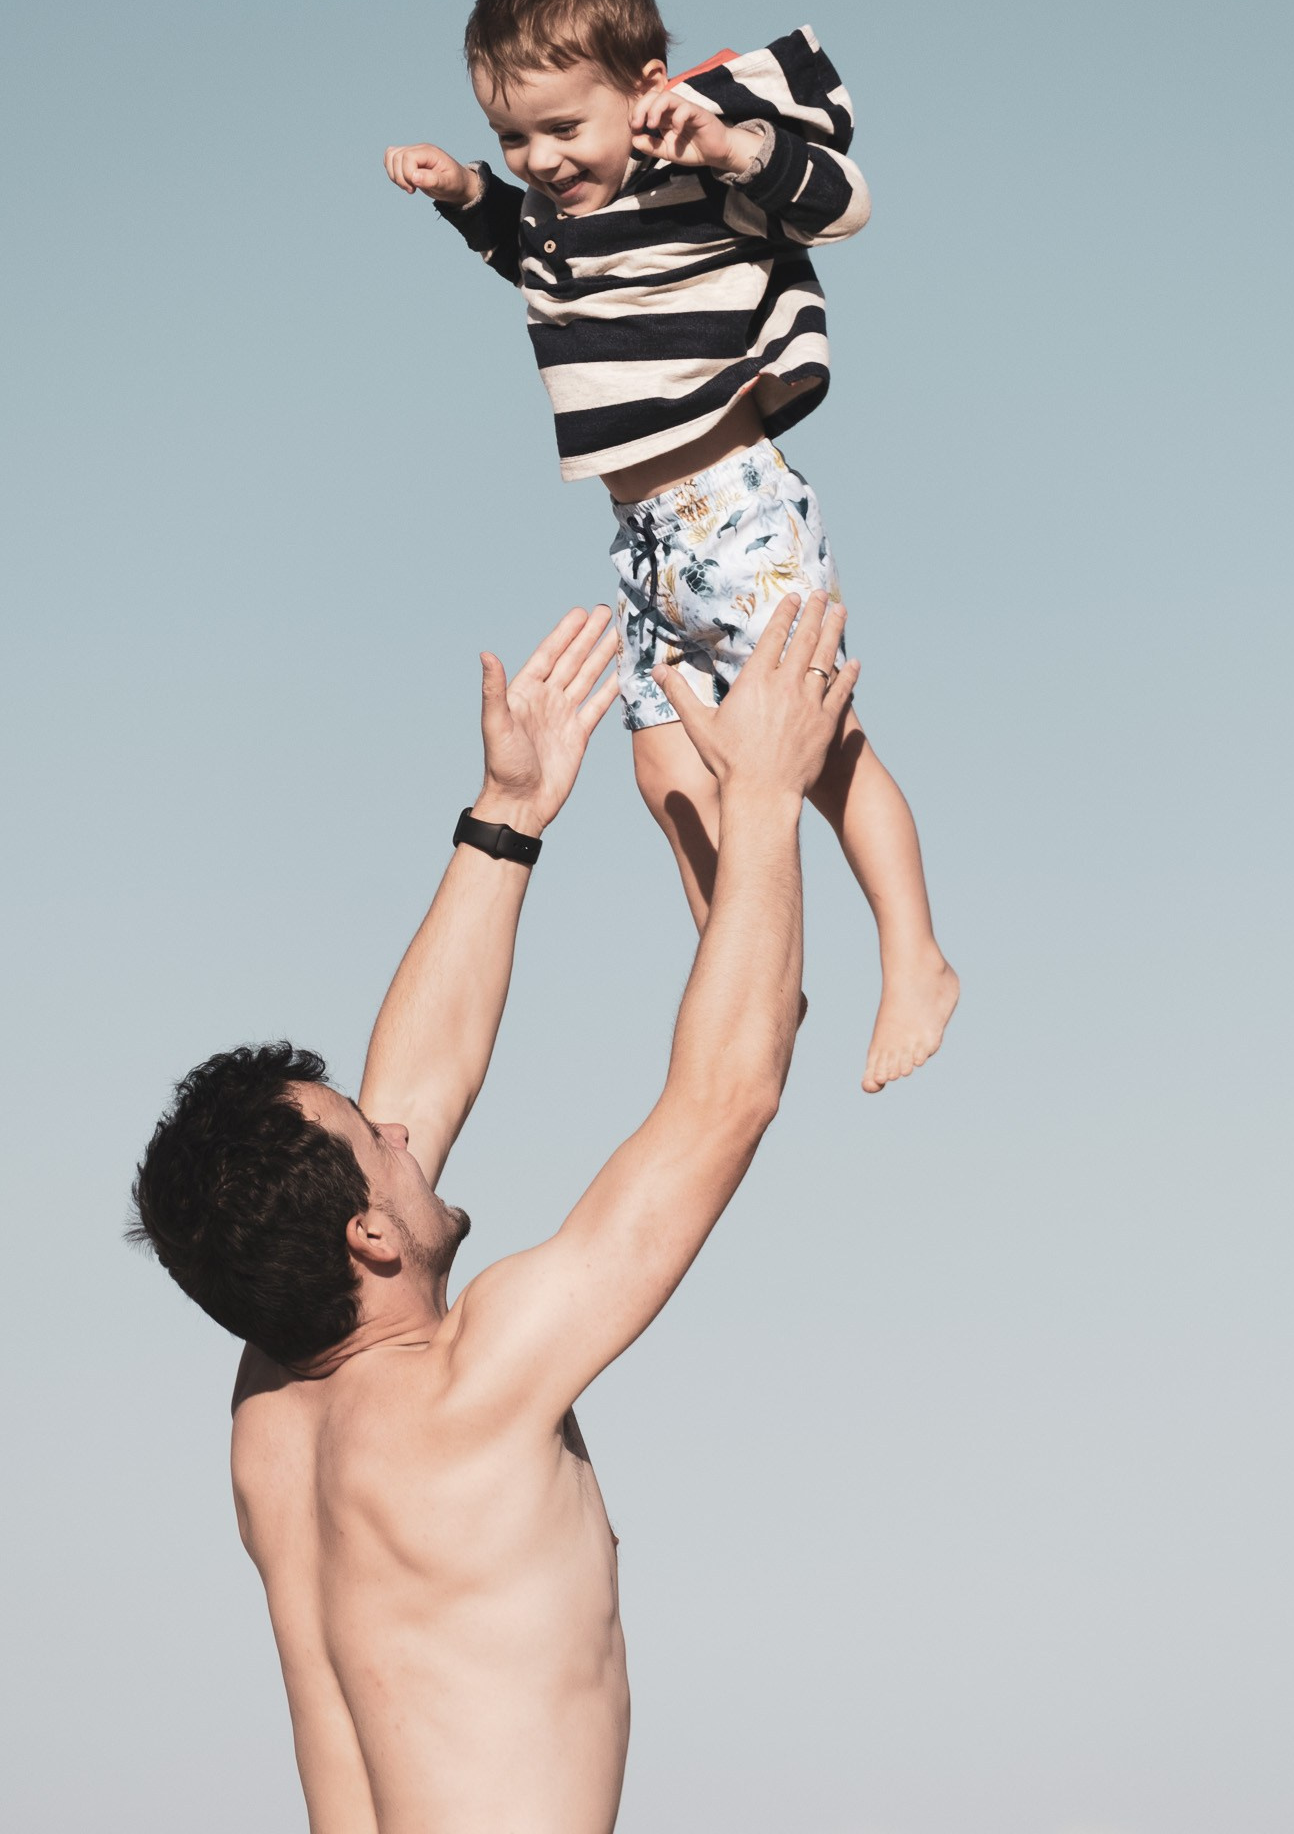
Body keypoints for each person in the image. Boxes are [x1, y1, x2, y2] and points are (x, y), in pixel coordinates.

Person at [131, 593, 857, 1834]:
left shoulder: (275, 1411)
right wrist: (766, 797)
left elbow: (405, 1104)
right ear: (368, 1236)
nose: (403, 1123)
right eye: (377, 1137)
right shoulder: (472, 1386)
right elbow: (726, 1099)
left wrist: (507, 817)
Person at [384, 0, 958, 1093]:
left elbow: (839, 203)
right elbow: (538, 262)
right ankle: (750, 971)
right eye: (513, 136)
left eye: (561, 128)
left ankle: (915, 955)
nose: (539, 158)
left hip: (734, 509)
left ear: (643, 90)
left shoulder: (693, 164)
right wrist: (464, 197)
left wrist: (733, 142)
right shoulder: (562, 210)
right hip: (643, 542)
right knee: (663, 774)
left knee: (818, 749)